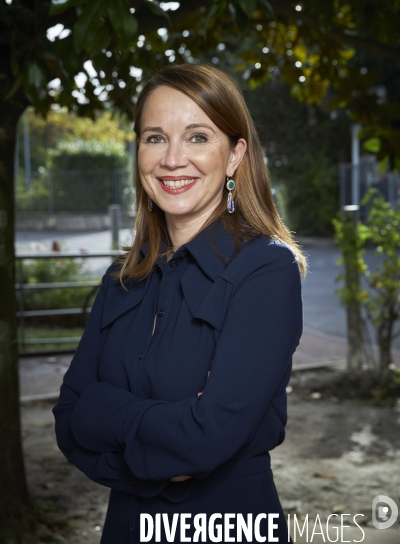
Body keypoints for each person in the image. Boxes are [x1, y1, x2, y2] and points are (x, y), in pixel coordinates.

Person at [52, 63, 307, 544]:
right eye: (154, 138)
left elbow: (206, 438)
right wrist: (160, 445)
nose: (172, 159)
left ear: (235, 155)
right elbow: (69, 421)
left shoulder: (265, 271)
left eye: (196, 137)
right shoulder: (121, 279)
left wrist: (107, 410)